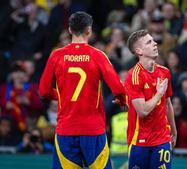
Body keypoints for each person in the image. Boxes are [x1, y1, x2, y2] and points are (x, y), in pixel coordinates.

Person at [39, 11, 126, 169]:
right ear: (89, 30)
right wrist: (121, 101)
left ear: (70, 30)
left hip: (66, 130)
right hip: (93, 130)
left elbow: (44, 91)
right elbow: (118, 88)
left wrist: (61, 97)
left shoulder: (56, 56)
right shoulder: (98, 56)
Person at [124, 30, 177, 169]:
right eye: (149, 42)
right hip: (140, 141)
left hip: (162, 138)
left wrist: (173, 129)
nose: (155, 44)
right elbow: (142, 111)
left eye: (153, 41)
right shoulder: (133, 76)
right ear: (139, 51)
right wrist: (159, 94)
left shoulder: (165, 72)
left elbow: (167, 103)